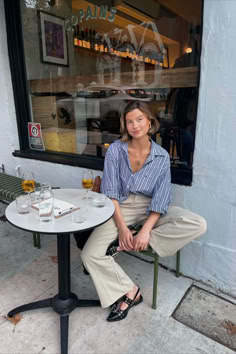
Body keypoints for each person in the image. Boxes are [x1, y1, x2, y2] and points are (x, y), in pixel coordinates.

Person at [81, 100, 207, 322]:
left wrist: (146, 230)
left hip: (150, 208)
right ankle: (131, 291)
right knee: (89, 255)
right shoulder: (115, 151)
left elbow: (161, 196)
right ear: (124, 125)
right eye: (129, 121)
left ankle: (131, 243)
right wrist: (121, 228)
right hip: (119, 206)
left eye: (139, 119)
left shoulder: (161, 156)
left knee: (197, 223)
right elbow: (110, 192)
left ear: (150, 122)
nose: (135, 125)